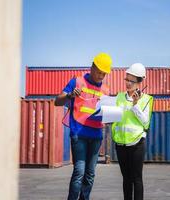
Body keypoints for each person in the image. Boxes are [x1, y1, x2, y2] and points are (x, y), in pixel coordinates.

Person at [54, 53, 112, 200]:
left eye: (104, 73)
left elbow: (107, 114)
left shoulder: (105, 90)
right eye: (99, 72)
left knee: (90, 174)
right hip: (79, 134)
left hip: (96, 135)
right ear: (92, 67)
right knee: (79, 171)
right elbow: (57, 101)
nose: (101, 76)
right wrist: (69, 96)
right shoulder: (76, 82)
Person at [111, 63, 153, 200]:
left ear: (140, 82)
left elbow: (146, 123)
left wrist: (135, 105)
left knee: (136, 178)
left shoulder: (146, 99)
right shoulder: (118, 97)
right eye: (127, 79)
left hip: (137, 144)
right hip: (121, 144)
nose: (128, 83)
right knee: (126, 179)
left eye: (132, 81)